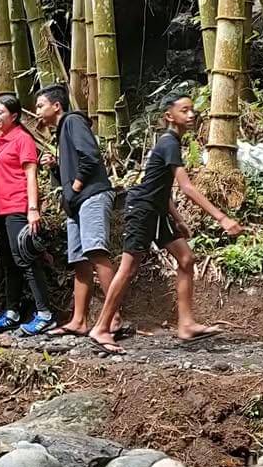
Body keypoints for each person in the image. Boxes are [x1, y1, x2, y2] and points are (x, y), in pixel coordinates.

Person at [89, 92, 243, 353]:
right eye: (184, 110)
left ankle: (186, 324)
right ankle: (101, 327)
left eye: (192, 110)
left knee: (186, 259)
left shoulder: (171, 143)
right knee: (128, 267)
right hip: (142, 209)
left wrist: (178, 218)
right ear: (169, 117)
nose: (191, 114)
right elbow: (186, 187)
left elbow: (159, 185)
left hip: (156, 209)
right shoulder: (169, 142)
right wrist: (223, 218)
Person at [34, 84, 124, 337]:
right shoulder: (62, 132)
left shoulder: (73, 121)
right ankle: (79, 320)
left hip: (90, 195)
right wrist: (56, 167)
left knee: (96, 251)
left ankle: (115, 316)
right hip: (76, 202)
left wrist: (75, 186)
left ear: (56, 106)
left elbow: (91, 156)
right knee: (80, 261)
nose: (37, 112)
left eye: (40, 106)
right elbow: (75, 164)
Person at [0, 93, 54, 336]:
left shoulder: (22, 139)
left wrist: (33, 209)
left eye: (0, 112)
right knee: (9, 262)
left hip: (17, 207)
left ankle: (45, 314)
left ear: (14, 116)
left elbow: (30, 175)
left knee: (25, 258)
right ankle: (11, 312)